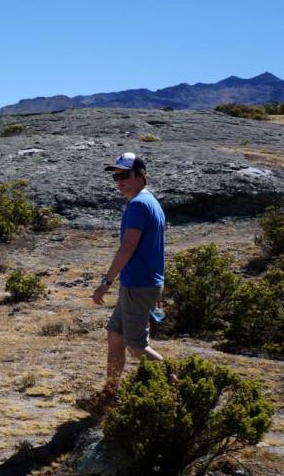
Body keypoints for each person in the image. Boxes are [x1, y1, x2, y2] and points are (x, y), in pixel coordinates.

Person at [78, 152, 166, 414]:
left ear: (141, 175)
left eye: (124, 175)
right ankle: (110, 395)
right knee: (116, 335)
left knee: (136, 346)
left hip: (138, 285)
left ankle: (178, 384)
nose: (119, 181)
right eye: (115, 177)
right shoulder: (150, 202)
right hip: (139, 284)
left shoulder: (138, 205)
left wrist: (106, 281)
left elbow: (127, 247)